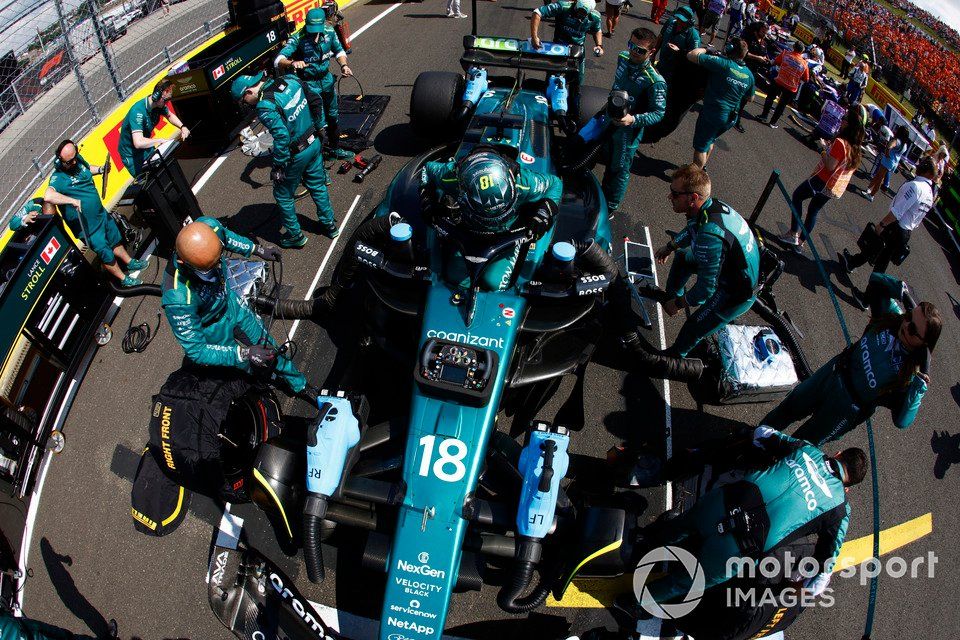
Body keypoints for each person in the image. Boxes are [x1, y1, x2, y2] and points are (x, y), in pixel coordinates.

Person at [638, 427, 865, 606]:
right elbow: (818, 582)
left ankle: (640, 542)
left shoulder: (807, 450)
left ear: (838, 453)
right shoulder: (839, 510)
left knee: (678, 527)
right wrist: (788, 589)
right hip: (740, 547)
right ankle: (635, 602)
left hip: (721, 502)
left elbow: (762, 433)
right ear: (848, 488)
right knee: (686, 581)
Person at [762, 275, 940, 445]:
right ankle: (748, 442)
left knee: (799, 445)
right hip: (833, 372)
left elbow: (902, 421)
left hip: (845, 409)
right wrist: (900, 290)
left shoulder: (910, 374)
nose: (906, 325)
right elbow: (875, 280)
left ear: (924, 345)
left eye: (914, 329)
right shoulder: (892, 316)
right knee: (786, 410)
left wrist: (918, 388)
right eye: (909, 317)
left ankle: (760, 471)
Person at [162, 218, 311, 398]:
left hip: (232, 305)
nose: (219, 267)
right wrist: (245, 353)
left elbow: (228, 237)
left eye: (219, 259)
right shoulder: (178, 298)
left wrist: (257, 249)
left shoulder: (210, 227)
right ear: (186, 264)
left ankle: (300, 385)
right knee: (241, 368)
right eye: (210, 268)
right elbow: (197, 350)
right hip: (212, 328)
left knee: (268, 346)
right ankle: (259, 391)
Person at [652, 164, 760, 357]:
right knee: (684, 257)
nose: (670, 197)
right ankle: (671, 298)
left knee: (694, 326)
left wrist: (679, 304)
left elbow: (704, 290)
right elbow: (693, 227)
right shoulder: (709, 207)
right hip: (731, 267)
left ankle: (675, 357)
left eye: (675, 194)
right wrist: (670, 246)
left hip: (736, 291)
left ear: (693, 198)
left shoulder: (710, 235)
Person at [232, 72, 338, 248]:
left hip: (296, 154)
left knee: (283, 195)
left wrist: (279, 166)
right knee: (318, 185)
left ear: (249, 92)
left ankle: (295, 236)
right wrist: (320, 127)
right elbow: (316, 99)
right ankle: (330, 225)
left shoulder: (265, 106)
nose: (246, 105)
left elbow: (281, 137)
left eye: (244, 101)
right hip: (314, 143)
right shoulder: (291, 79)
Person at [44, 140, 147, 286]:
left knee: (114, 239)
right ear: (61, 160)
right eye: (69, 161)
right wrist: (70, 200)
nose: (73, 163)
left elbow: (87, 170)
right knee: (105, 252)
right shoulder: (58, 178)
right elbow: (48, 196)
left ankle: (129, 262)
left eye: (74, 158)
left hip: (101, 215)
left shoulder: (77, 160)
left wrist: (100, 170)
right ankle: (124, 279)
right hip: (88, 227)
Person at [421, 146, 561, 241]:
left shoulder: (523, 181)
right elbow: (426, 168)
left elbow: (555, 183)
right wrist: (427, 199)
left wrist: (544, 212)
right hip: (471, 224)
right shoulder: (449, 176)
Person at [275, 5, 356, 159]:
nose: (314, 33)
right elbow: (279, 60)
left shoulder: (330, 32)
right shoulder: (297, 38)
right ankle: (318, 162)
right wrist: (292, 63)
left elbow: (339, 51)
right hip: (308, 85)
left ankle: (335, 149)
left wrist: (344, 65)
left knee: (333, 117)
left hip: (326, 81)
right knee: (316, 124)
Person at [780, 105, 866, 247]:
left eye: (844, 118)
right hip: (833, 188)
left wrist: (823, 150)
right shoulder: (856, 149)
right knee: (813, 211)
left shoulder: (840, 143)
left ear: (848, 124)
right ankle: (800, 242)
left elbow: (830, 166)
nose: (841, 120)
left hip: (822, 180)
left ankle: (793, 233)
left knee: (797, 196)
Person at [600, 28, 666, 214]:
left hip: (627, 132)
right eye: (631, 45)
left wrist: (633, 119)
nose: (633, 52)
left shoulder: (655, 81)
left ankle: (610, 208)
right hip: (608, 118)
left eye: (640, 50)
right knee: (603, 158)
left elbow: (658, 113)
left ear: (651, 52)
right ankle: (600, 194)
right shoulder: (622, 57)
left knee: (619, 170)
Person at [839, 156, 937, 281]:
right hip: (906, 231)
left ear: (927, 171)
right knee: (877, 251)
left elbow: (897, 212)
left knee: (880, 258)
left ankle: (870, 295)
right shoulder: (930, 193)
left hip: (896, 226)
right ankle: (852, 262)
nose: (918, 166)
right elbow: (918, 219)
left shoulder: (915, 186)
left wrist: (882, 224)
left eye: (922, 165)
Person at [686, 39, 755, 168]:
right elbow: (750, 98)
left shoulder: (722, 63)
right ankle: (702, 166)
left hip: (713, 114)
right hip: (731, 118)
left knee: (700, 148)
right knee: (710, 139)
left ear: (729, 49)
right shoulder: (749, 74)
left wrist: (707, 50)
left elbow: (691, 55)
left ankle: (696, 176)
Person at [643, 5, 701, 144]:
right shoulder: (670, 22)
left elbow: (694, 57)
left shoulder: (693, 35)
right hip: (662, 65)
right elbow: (661, 37)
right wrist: (653, 53)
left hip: (676, 73)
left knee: (664, 98)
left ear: (689, 21)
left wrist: (680, 51)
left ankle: (655, 126)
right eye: (678, 18)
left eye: (682, 20)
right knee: (651, 89)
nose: (679, 22)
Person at [117, 79, 190, 178]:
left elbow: (169, 115)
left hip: (146, 145)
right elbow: (138, 142)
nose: (167, 103)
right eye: (166, 100)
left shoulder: (159, 105)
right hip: (132, 155)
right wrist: (159, 140)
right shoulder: (137, 111)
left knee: (161, 172)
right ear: (157, 96)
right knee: (148, 180)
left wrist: (183, 127)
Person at [532, 0, 604, 90]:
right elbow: (537, 12)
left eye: (583, 13)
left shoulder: (595, 16)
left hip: (577, 50)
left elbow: (597, 30)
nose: (579, 15)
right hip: (559, 47)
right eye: (578, 11)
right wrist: (534, 37)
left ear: (590, 12)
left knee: (578, 80)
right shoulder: (563, 6)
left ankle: (573, 100)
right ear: (575, 5)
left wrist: (599, 45)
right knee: (552, 77)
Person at [757, 40, 809, 129]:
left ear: (794, 47)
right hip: (791, 87)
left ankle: (764, 116)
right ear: (802, 51)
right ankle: (773, 123)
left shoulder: (785, 54)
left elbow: (774, 62)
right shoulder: (804, 64)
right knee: (782, 105)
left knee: (770, 98)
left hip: (779, 81)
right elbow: (806, 79)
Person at [863, 125, 910, 201]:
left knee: (879, 178)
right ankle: (868, 189)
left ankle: (871, 195)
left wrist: (887, 155)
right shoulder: (905, 145)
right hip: (893, 163)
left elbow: (888, 147)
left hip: (888, 161)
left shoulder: (896, 140)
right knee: (878, 176)